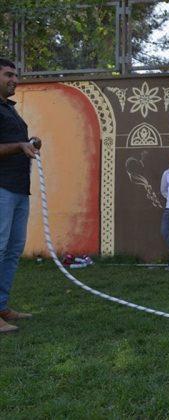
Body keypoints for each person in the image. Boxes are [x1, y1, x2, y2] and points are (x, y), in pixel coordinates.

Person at [0, 58, 41, 334]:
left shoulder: (10, 110)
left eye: (16, 75)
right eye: (8, 75)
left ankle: (2, 306)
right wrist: (19, 146)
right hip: (2, 188)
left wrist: (31, 144)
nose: (15, 79)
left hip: (18, 189)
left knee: (12, 251)